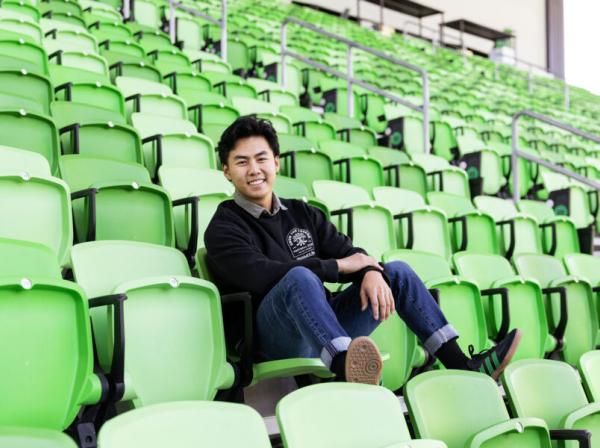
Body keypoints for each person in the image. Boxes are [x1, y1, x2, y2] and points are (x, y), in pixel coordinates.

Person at [204, 116, 521, 384]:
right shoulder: (223, 225)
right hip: (269, 339)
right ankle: (345, 367)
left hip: (321, 324)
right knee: (298, 277)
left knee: (396, 272)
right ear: (226, 171)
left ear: (276, 162)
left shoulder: (303, 213)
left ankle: (462, 365)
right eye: (241, 162)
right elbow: (263, 276)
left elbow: (349, 252)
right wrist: (339, 268)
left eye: (261, 159)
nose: (254, 169)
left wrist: (369, 271)